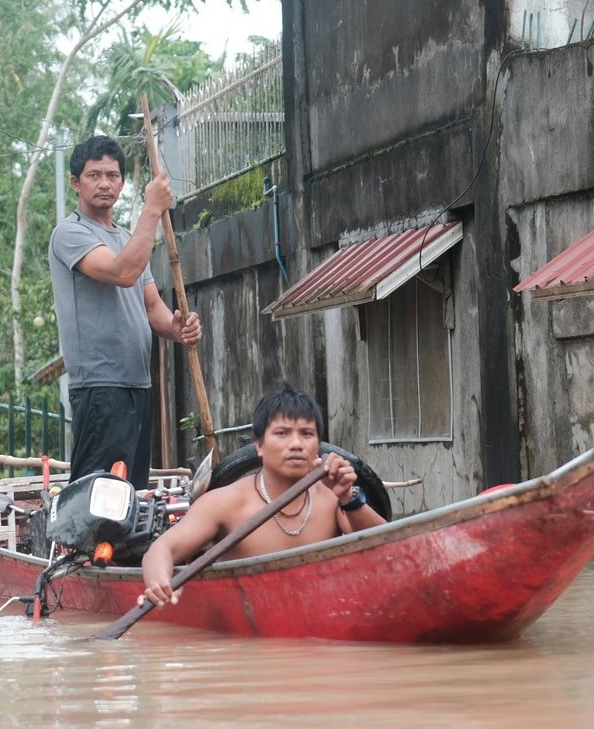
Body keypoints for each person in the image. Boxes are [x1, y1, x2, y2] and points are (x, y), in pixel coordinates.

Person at [139, 383, 387, 607]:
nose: (296, 444)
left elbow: (389, 551)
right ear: (259, 445)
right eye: (282, 433)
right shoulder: (225, 502)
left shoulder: (332, 497)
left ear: (318, 445)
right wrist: (160, 582)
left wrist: (349, 497)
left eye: (307, 434)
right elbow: (162, 549)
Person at [49, 134, 202, 490]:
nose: (105, 183)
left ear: (122, 181)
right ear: (75, 183)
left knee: (131, 493)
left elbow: (151, 307)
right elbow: (123, 272)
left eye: (113, 175)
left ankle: (127, 549)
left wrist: (179, 328)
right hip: (100, 386)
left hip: (137, 384)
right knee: (99, 495)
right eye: (94, 175)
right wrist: (151, 210)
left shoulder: (127, 239)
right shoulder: (69, 233)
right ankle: (88, 549)